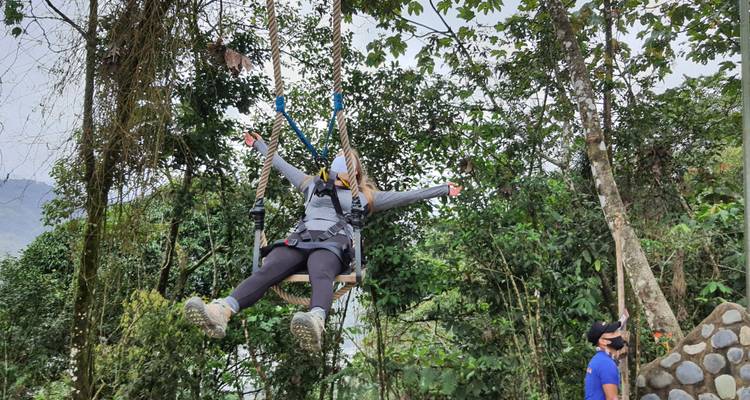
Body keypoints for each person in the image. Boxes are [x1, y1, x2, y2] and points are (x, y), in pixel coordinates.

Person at [184, 131, 462, 352]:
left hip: (333, 244)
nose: (341, 163)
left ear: (355, 173)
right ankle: (222, 310)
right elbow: (280, 164)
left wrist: (443, 190)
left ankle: (316, 320)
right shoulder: (311, 184)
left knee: (321, 269)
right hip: (299, 240)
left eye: (346, 162)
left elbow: (410, 195)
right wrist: (259, 145)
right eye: (339, 159)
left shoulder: (365, 196)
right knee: (272, 266)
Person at [584, 312, 629, 400]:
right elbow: (612, 398)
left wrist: (623, 319)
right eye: (613, 333)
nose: (618, 335)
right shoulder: (606, 364)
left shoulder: (599, 359)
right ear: (603, 341)